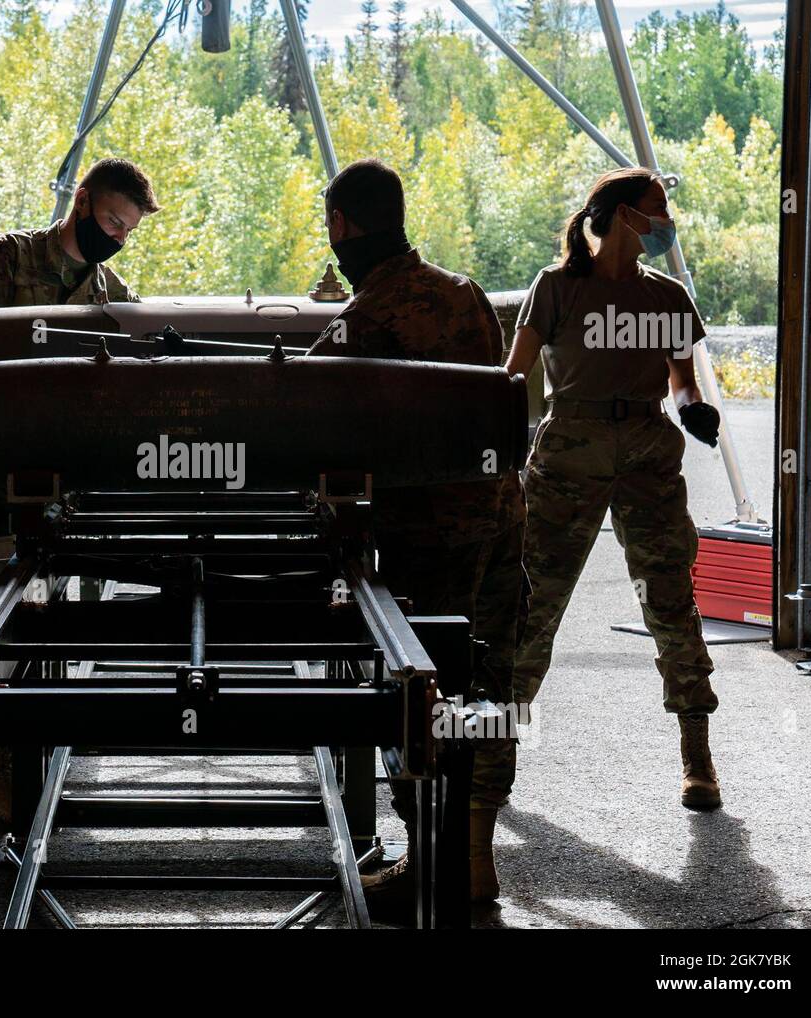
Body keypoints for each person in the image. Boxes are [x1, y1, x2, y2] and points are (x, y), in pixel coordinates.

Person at [0, 157, 159, 822]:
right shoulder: (4, 260)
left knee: (24, 635)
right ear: (81, 202)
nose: (116, 236)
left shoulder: (114, 294)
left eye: (127, 229)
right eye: (109, 220)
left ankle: (0, 775)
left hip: (40, 495)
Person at [307, 159, 527, 917]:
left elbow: (303, 410)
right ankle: (473, 858)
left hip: (428, 532)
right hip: (501, 516)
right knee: (488, 680)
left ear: (340, 224)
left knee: (420, 687)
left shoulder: (368, 311)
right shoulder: (463, 291)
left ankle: (430, 862)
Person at [505, 166, 722, 815]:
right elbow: (514, 376)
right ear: (621, 214)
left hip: (648, 450)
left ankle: (697, 756)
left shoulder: (668, 297)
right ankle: (495, 753)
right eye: (655, 210)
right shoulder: (557, 288)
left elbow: (682, 378)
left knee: (670, 599)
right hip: (571, 449)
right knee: (531, 605)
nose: (664, 223)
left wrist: (692, 406)